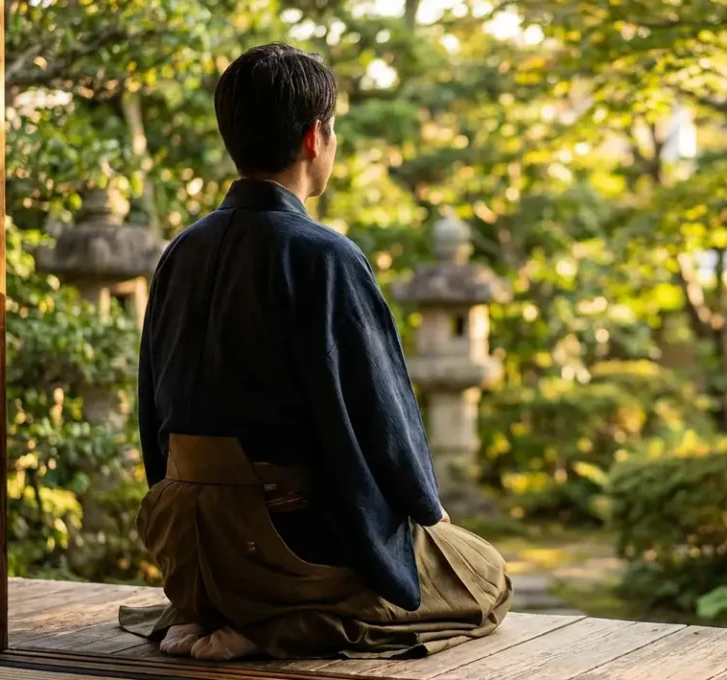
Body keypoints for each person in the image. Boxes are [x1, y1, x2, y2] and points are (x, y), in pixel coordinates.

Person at [117, 42, 512, 663]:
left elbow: (151, 415)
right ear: (313, 137)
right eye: (334, 131)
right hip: (284, 544)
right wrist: (425, 508)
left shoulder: (180, 252)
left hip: (186, 540)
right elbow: (383, 419)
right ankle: (282, 625)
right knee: (485, 579)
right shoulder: (326, 256)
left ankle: (208, 608)